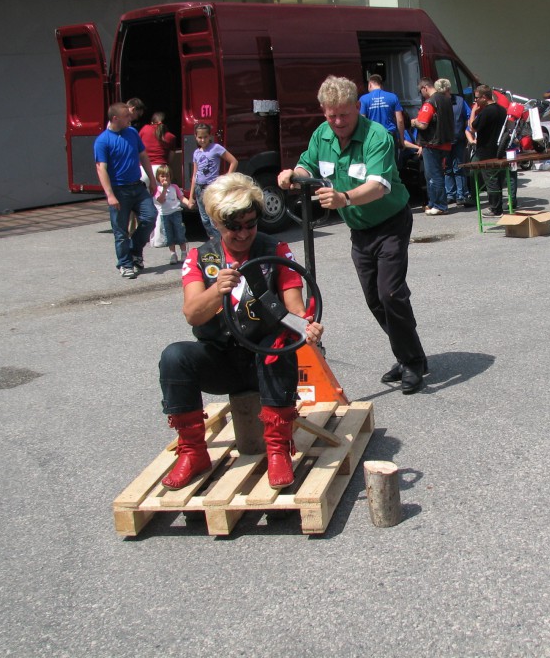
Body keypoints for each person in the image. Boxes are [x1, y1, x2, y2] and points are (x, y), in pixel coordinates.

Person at [158, 172, 323, 490]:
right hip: (221, 360)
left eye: (251, 223)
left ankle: (278, 452)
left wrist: (308, 327)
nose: (244, 233)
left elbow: (294, 308)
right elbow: (192, 314)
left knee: (279, 346)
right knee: (174, 357)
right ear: (218, 224)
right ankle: (193, 453)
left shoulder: (276, 250)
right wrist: (215, 290)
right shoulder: (201, 258)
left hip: (264, 356)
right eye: (234, 227)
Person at [278, 75, 428, 394]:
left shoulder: (377, 136)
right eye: (331, 114)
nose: (338, 121)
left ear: (357, 107)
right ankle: (406, 354)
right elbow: (308, 167)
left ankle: (413, 362)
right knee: (375, 299)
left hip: (390, 222)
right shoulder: (323, 134)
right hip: (359, 228)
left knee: (390, 293)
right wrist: (293, 175)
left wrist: (343, 198)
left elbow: (378, 186)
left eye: (344, 114)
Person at [94, 102, 158, 279]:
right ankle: (125, 263)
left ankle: (134, 251)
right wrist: (110, 195)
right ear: (115, 119)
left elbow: (143, 156)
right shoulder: (103, 141)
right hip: (119, 190)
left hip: (137, 186)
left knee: (150, 217)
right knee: (121, 231)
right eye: (126, 116)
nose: (131, 118)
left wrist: (152, 181)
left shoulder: (132, 133)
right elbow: (101, 169)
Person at [187, 123, 238, 240]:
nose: (203, 140)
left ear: (210, 136)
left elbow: (234, 161)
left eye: (205, 137)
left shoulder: (216, 148)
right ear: (195, 137)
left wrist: (226, 179)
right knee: (204, 219)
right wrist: (191, 196)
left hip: (211, 188)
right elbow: (195, 175)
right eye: (200, 137)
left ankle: (221, 242)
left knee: (213, 217)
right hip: (199, 188)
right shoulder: (196, 153)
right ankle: (213, 241)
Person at [413, 77, 454, 216]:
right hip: (445, 142)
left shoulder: (429, 102)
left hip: (432, 143)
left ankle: (440, 205)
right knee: (436, 174)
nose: (421, 94)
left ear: (425, 88)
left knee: (433, 175)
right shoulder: (446, 100)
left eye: (420, 91)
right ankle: (433, 203)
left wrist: (413, 122)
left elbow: (423, 123)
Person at [468, 84, 508, 216]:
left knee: (490, 179)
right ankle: (498, 206)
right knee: (497, 178)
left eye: (477, 98)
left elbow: (472, 127)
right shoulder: (502, 110)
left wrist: (473, 111)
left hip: (486, 149)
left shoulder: (486, 112)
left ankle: (495, 208)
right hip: (499, 149)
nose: (475, 101)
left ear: (484, 97)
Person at [359, 74, 405, 152]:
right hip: (390, 135)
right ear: (381, 85)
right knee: (392, 162)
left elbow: (362, 120)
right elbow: (400, 120)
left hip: (373, 136)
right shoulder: (393, 97)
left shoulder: (363, 99)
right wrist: (401, 139)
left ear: (370, 84)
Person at [153, 165, 189, 264]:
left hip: (175, 212)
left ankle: (184, 252)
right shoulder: (157, 189)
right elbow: (160, 200)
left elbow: (181, 198)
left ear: (170, 177)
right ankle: (173, 254)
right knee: (169, 235)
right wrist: (164, 189)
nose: (165, 178)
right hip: (165, 215)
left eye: (167, 176)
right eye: (162, 176)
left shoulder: (174, 187)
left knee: (179, 232)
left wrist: (189, 203)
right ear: (158, 177)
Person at [444, 87, 472, 208]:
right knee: (447, 168)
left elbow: (470, 116)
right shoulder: (439, 101)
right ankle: (451, 195)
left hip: (458, 140)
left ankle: (461, 195)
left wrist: (467, 132)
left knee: (458, 167)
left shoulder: (460, 101)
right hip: (444, 141)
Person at [139, 111, 177, 179]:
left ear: (152, 123)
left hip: (143, 170)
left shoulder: (145, 129)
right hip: (161, 171)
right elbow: (170, 159)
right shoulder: (171, 137)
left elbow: (137, 147)